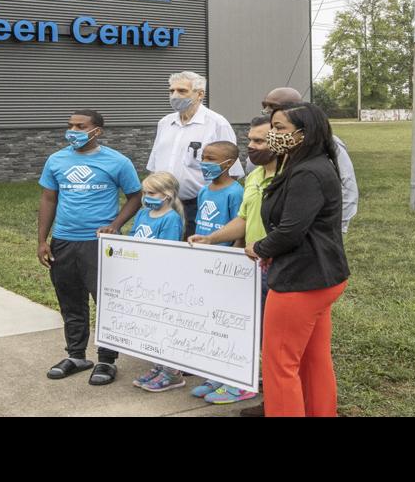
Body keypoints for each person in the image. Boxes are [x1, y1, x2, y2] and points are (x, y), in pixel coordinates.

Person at [246, 102, 350, 417]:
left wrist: (260, 248)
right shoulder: (311, 165)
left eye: (280, 129)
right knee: (312, 358)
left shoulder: (307, 172)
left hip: (301, 280)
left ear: (302, 135)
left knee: (279, 363)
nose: (273, 134)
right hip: (320, 275)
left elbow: (290, 231)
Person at [38, 110, 143, 386]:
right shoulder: (56, 160)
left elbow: (135, 196)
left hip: (99, 243)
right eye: (70, 125)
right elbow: (49, 199)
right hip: (63, 240)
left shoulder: (117, 161)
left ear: (97, 131)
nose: (73, 130)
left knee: (106, 301)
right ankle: (76, 355)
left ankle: (107, 360)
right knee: (70, 299)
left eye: (80, 126)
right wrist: (42, 240)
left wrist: (115, 224)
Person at [184, 140, 253, 405]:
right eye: (204, 157)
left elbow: (241, 227)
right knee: (211, 321)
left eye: (212, 158)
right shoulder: (204, 191)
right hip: (204, 264)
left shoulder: (236, 192)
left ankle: (236, 377)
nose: (205, 162)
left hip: (226, 266)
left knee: (229, 322)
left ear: (228, 163)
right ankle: (219, 373)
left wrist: (233, 258)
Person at [148, 71, 240, 239]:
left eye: (182, 91)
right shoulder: (165, 123)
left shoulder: (217, 124)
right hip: (163, 203)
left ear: (200, 94)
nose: (175, 95)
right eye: (171, 91)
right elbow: (154, 166)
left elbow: (232, 173)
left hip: (198, 206)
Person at [261, 87, 358, 234]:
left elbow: (347, 183)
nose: (267, 111)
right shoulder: (272, 137)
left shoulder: (327, 144)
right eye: (265, 106)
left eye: (274, 106)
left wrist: (337, 226)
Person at [125, 172, 188, 393]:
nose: (146, 196)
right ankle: (159, 366)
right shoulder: (143, 213)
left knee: (164, 327)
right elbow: (133, 237)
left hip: (161, 281)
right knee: (150, 326)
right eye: (145, 192)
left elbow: (167, 252)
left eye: (151, 193)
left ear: (167, 195)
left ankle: (173, 372)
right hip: (142, 278)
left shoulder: (170, 219)